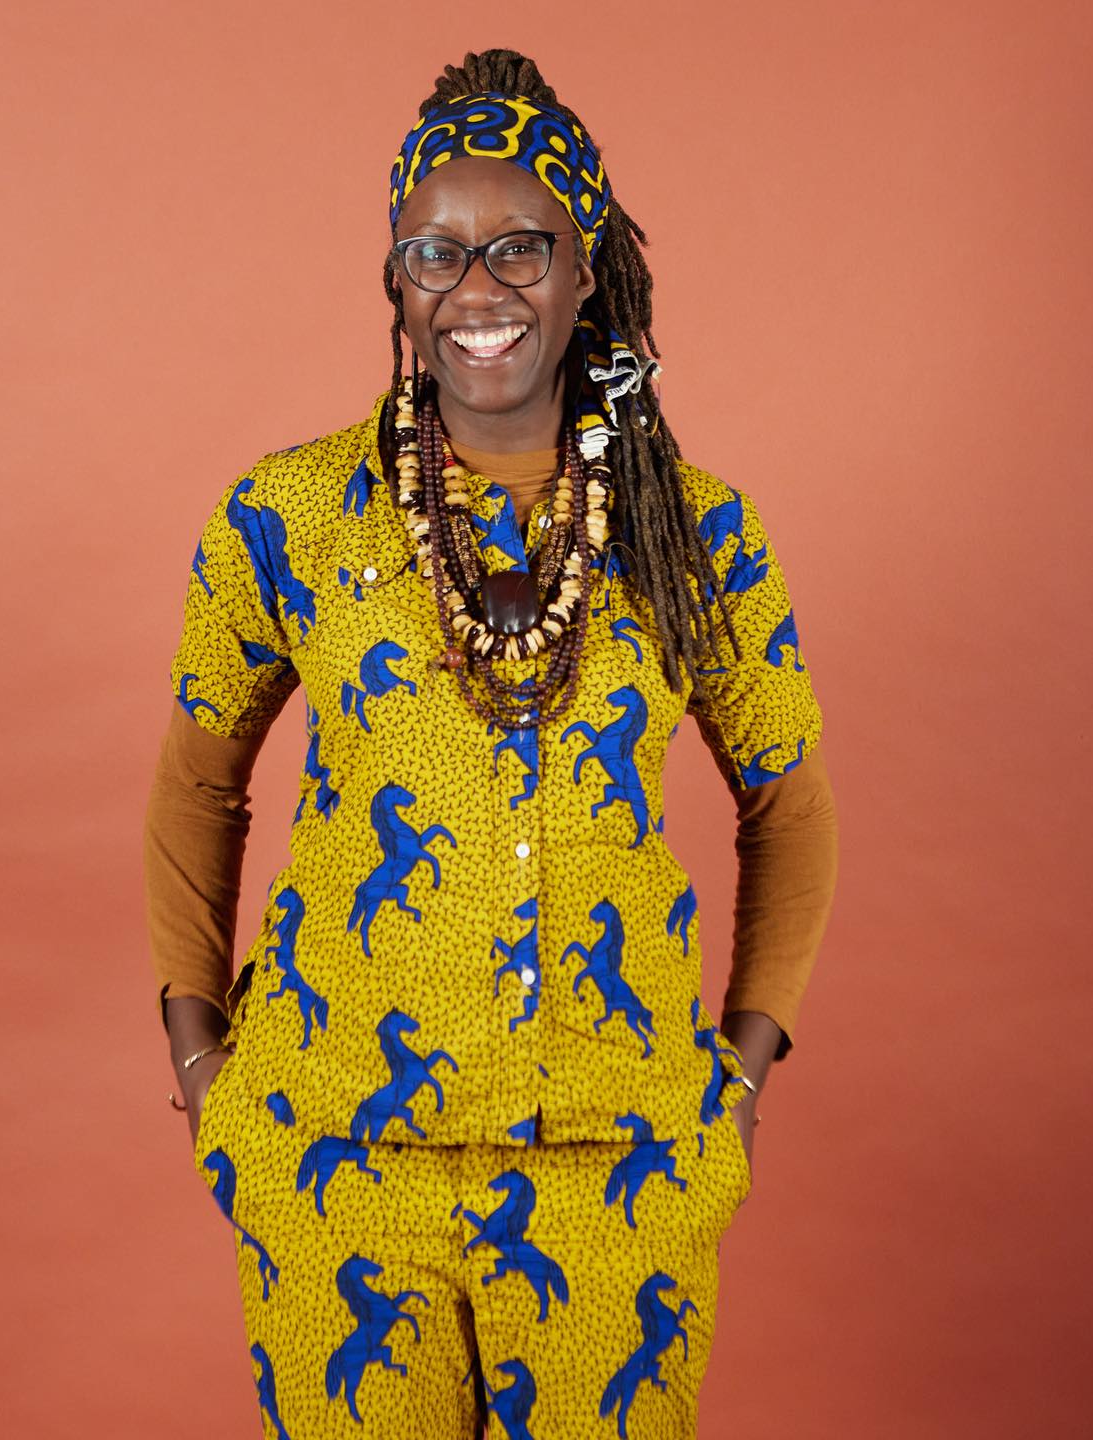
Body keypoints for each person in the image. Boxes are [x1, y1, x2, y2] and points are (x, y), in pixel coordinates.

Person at [143, 48, 839, 1440]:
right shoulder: (289, 516)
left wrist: (742, 1078)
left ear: (589, 272)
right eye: (436, 252)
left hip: (615, 1163)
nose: (478, 289)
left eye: (521, 246)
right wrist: (203, 1067)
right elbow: (195, 788)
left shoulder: (693, 528)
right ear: (397, 280)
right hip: (334, 1158)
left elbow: (793, 808)